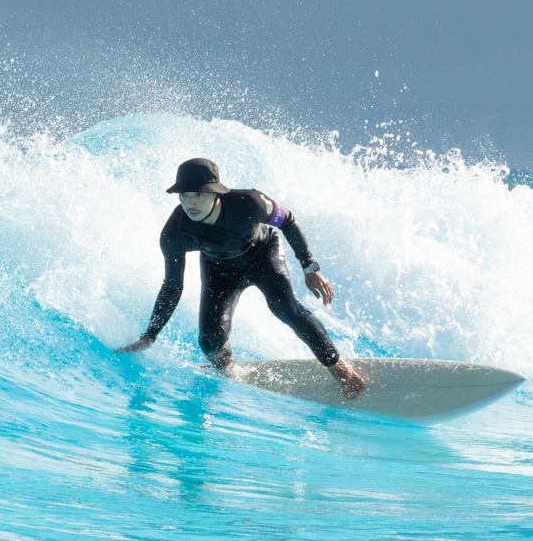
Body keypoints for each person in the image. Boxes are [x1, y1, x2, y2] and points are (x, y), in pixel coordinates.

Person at [117, 158, 367, 398]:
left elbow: (288, 220)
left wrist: (310, 268)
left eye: (199, 194)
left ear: (216, 193)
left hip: (262, 254)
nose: (190, 203)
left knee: (284, 308)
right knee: (210, 343)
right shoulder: (175, 233)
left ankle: (339, 368)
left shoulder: (249, 202)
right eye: (184, 195)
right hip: (219, 269)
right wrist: (150, 334)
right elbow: (172, 286)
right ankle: (227, 370)